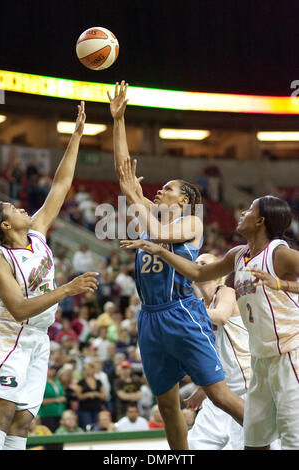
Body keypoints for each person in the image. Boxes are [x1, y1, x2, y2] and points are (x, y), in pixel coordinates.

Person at [108, 81, 244, 450]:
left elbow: (154, 230)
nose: (158, 191)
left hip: (182, 312)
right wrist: (118, 120)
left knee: (218, 395)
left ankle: (272, 442)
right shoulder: (153, 216)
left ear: (183, 199)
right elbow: (123, 172)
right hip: (150, 316)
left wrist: (137, 202)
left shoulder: (191, 223)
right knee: (168, 406)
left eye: (166, 188)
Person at [121, 195, 299, 450]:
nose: (242, 212)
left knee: (292, 441)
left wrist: (282, 284)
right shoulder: (239, 255)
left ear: (260, 221)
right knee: (254, 443)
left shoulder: (280, 254)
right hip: (260, 361)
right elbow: (197, 273)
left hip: (290, 355)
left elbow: (221, 311)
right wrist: (161, 251)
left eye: (249, 209)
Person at [0, 102, 99, 451]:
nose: (23, 207)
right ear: (5, 225)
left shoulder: (37, 232)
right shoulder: (0, 258)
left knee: (24, 420)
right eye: (13, 208)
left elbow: (61, 184)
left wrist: (75, 135)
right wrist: (67, 289)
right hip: (8, 336)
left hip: (39, 339)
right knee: (3, 411)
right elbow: (19, 309)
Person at [186, 253, 251, 450]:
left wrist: (182, 312)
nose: (197, 266)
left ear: (217, 272)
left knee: (249, 444)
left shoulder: (225, 292)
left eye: (204, 263)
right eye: (195, 263)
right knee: (196, 444)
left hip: (246, 386)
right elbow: (214, 353)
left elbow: (222, 316)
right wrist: (203, 389)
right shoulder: (198, 306)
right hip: (219, 388)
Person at [76, 361, 106, 430]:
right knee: (87, 427)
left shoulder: (98, 381)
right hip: (85, 409)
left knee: (97, 427)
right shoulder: (81, 382)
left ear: (93, 369)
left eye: (89, 369)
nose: (88, 371)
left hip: (97, 408)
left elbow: (104, 396)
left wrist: (96, 394)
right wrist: (88, 395)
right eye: (86, 369)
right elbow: (78, 396)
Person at [38, 364, 66, 433]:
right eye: (50, 369)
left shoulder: (57, 381)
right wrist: (55, 400)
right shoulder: (41, 382)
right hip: (46, 414)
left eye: (54, 369)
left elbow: (62, 395)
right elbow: (39, 400)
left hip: (59, 413)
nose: (53, 371)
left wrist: (63, 398)